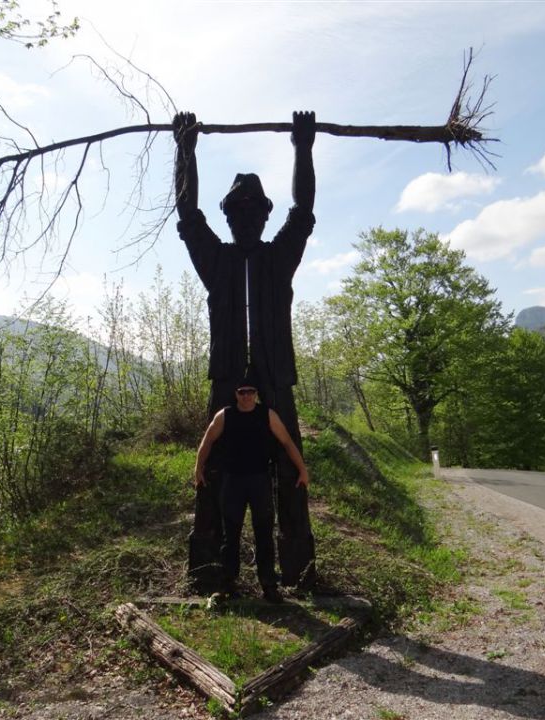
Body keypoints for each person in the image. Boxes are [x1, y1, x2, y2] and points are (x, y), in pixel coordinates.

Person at [174, 110, 318, 590]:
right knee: (214, 473)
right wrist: (185, 150)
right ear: (229, 217)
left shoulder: (279, 258)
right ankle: (210, 570)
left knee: (292, 476)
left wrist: (303, 147)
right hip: (227, 377)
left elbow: (303, 211)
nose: (246, 218)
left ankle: (299, 569)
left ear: (264, 215)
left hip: (277, 380)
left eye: (254, 212)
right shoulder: (217, 260)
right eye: (238, 212)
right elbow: (187, 216)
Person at [193, 369, 309, 603]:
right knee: (231, 535)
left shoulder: (267, 415)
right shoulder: (225, 416)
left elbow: (287, 441)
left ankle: (268, 585)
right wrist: (198, 467)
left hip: (259, 481)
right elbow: (207, 441)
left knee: (264, 533)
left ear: (256, 394)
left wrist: (302, 469)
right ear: (236, 394)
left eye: (250, 392)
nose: (246, 396)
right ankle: (227, 585)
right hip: (233, 481)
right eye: (242, 392)